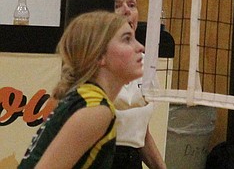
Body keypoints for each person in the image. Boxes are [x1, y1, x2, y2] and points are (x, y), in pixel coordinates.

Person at [19, 10, 145, 169]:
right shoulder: (96, 109)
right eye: (127, 39)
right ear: (99, 56)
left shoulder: (87, 97)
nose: (140, 47)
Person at [113, 0, 166, 169]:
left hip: (131, 162)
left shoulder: (145, 64)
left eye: (131, 4)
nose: (126, 10)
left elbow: (141, 134)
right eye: (117, 5)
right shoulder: (93, 63)